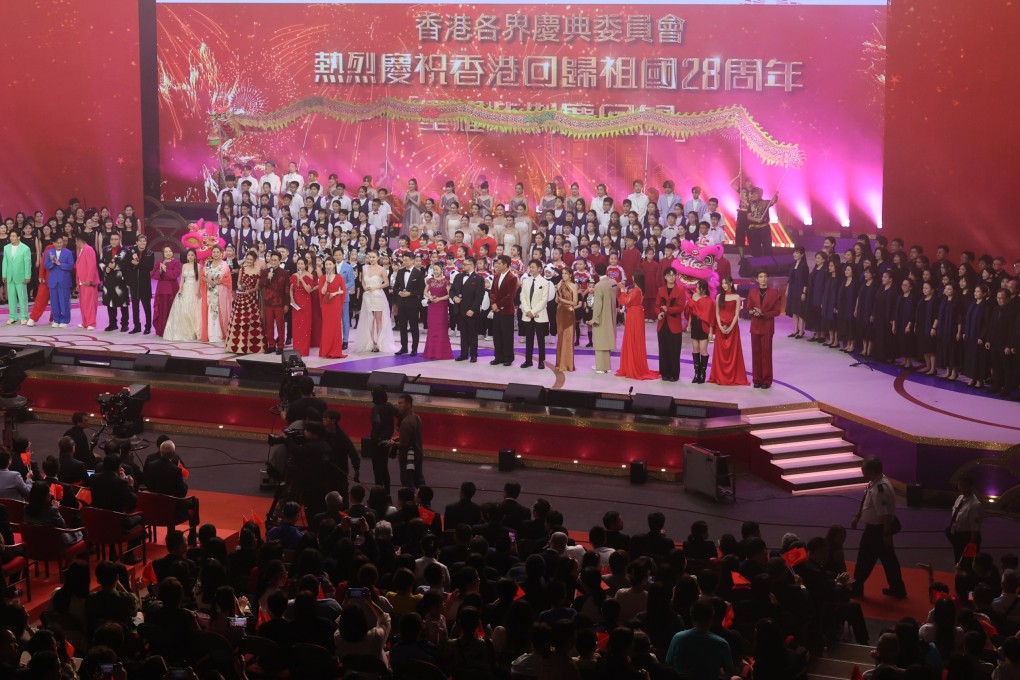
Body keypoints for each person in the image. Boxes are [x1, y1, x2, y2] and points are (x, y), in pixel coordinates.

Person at [850, 456, 906, 599]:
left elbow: (886, 515)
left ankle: (856, 588)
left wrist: (886, 535)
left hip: (877, 530)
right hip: (879, 529)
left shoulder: (881, 489)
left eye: (864, 468)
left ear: (872, 471)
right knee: (889, 560)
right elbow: (867, 502)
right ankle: (897, 588)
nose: (861, 470)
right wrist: (858, 516)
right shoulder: (874, 483)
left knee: (864, 559)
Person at [143, 440, 201, 546]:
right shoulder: (175, 470)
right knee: (194, 501)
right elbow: (182, 492)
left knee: (167, 498)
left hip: (153, 506)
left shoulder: (150, 465)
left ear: (160, 452)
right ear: (173, 454)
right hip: (171, 508)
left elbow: (146, 482)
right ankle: (192, 537)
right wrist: (184, 483)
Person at [665, 599, 734, 680]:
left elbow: (668, 663)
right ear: (712, 617)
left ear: (692, 616)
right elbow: (729, 671)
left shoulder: (678, 637)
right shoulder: (722, 643)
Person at [615, 270, 659, 380]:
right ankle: (634, 364)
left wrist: (621, 290)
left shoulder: (636, 290)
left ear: (635, 278)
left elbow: (625, 302)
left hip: (634, 314)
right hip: (635, 313)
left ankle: (633, 366)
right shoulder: (639, 290)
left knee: (633, 338)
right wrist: (623, 291)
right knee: (634, 338)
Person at [710, 276, 750, 386]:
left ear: (731, 284)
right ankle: (720, 376)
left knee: (733, 352)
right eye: (722, 283)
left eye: (726, 283)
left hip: (733, 327)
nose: (724, 285)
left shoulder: (736, 297)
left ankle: (733, 376)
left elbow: (737, 314)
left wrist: (731, 327)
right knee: (721, 353)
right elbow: (717, 313)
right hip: (720, 327)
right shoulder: (719, 296)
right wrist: (720, 326)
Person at [352, 250, 394, 353]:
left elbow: (387, 283)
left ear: (378, 258)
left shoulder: (381, 269)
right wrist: (365, 287)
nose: (371, 259)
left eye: (373, 257)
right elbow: (362, 280)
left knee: (378, 319)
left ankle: (378, 342)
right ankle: (371, 342)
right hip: (367, 296)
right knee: (369, 320)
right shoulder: (365, 268)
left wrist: (376, 287)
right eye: (369, 257)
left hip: (378, 296)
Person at [746, 270, 782, 389]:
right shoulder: (752, 292)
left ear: (768, 278)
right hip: (755, 326)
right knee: (756, 354)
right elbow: (748, 307)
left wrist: (764, 314)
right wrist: (753, 312)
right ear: (757, 279)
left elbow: (777, 311)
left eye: (765, 276)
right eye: (760, 277)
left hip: (767, 326)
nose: (763, 279)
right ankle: (757, 379)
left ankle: (766, 380)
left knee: (766, 354)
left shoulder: (774, 293)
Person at [225, 250, 265, 354]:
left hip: (251, 298)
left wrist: (249, 291)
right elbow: (238, 282)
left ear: (254, 260)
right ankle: (236, 345)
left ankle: (251, 346)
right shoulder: (242, 269)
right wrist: (239, 286)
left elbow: (257, 287)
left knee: (250, 320)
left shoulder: (258, 270)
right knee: (238, 320)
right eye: (247, 259)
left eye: (251, 259)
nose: (249, 261)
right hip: (241, 297)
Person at [653, 267, 686, 382]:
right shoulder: (660, 290)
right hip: (662, 324)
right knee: (663, 349)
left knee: (674, 350)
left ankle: (674, 374)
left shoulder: (680, 291)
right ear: (665, 277)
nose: (671, 277)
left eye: (673, 275)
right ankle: (665, 373)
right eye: (669, 275)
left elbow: (681, 307)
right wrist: (659, 314)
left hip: (674, 325)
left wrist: (668, 309)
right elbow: (657, 305)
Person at [163, 248, 202, 341]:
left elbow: (199, 280)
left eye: (192, 255)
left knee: (193, 310)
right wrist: (180, 289)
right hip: (185, 288)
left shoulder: (198, 266)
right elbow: (182, 280)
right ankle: (184, 331)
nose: (190, 257)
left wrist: (198, 290)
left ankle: (194, 331)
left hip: (194, 288)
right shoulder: (184, 265)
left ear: (195, 256)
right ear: (186, 256)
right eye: (189, 255)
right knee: (184, 310)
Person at [387, 393, 424, 490]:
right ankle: (423, 505)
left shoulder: (406, 422)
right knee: (419, 484)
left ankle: (410, 505)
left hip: (408, 458)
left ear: (408, 404)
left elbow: (403, 444)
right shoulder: (417, 417)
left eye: (401, 403)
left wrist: (393, 443)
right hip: (418, 454)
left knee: (408, 486)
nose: (398, 405)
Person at [518, 260, 550, 369]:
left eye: (533, 267)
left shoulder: (545, 282)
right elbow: (522, 296)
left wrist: (533, 311)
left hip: (539, 315)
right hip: (527, 315)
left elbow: (544, 300)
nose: (531, 269)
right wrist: (527, 310)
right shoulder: (526, 281)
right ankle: (528, 360)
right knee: (529, 339)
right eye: (530, 267)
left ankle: (541, 361)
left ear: (540, 268)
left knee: (541, 340)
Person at [393, 252, 425, 356]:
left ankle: (414, 348)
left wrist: (410, 293)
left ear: (412, 260)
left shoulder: (418, 273)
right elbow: (395, 286)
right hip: (401, 303)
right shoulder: (401, 272)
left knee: (414, 327)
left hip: (413, 304)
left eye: (406, 260)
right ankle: (404, 347)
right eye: (403, 260)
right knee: (402, 327)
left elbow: (421, 290)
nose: (404, 262)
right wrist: (399, 292)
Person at [490, 254, 519, 366]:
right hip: (496, 310)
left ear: (506, 264)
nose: (497, 265)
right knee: (497, 335)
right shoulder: (497, 276)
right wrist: (493, 303)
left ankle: (508, 358)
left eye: (499, 263)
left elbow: (510, 296)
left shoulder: (512, 278)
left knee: (507, 335)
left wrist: (498, 305)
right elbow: (492, 291)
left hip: (507, 311)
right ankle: (498, 357)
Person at [369, 387, 399, 492]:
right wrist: (397, 427)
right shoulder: (389, 406)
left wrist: (376, 438)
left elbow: (376, 423)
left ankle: (378, 492)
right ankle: (387, 492)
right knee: (384, 468)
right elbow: (400, 415)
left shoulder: (376, 409)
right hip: (387, 440)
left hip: (378, 442)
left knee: (377, 469)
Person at [590, 262, 619, 374]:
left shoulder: (598, 285)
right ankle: (607, 366)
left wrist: (595, 318)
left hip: (602, 315)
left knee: (600, 340)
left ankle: (601, 367)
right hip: (611, 314)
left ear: (596, 272)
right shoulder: (613, 282)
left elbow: (598, 305)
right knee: (607, 339)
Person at [200, 245, 233, 344]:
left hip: (220, 291)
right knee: (210, 310)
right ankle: (211, 334)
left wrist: (217, 283)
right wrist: (209, 281)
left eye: (217, 252)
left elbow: (227, 279)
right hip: (209, 291)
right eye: (214, 252)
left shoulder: (224, 265)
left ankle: (219, 334)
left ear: (221, 253)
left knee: (220, 311)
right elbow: (202, 276)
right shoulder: (208, 264)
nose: (215, 254)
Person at [947, 475, 983, 563]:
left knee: (967, 563)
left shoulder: (974, 505)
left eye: (964, 486)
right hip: (958, 535)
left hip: (968, 537)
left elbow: (975, 529)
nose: (961, 488)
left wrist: (971, 546)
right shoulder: (960, 498)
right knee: (958, 561)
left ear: (970, 487)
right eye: (959, 485)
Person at [455, 257, 485, 363]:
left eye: (465, 264)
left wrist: (473, 309)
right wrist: (454, 297)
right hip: (460, 310)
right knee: (463, 334)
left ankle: (473, 355)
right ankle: (463, 354)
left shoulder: (479, 279)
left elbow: (479, 296)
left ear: (472, 265)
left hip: (472, 311)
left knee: (472, 334)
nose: (463, 266)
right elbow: (452, 290)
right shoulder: (458, 277)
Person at [260, 252, 290, 355]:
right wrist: (268, 277)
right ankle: (271, 345)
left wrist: (286, 303)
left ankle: (280, 345)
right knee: (269, 325)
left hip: (280, 303)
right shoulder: (264, 272)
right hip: (268, 302)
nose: (273, 262)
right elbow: (260, 285)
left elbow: (287, 289)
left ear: (279, 261)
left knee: (280, 324)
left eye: (275, 260)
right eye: (271, 260)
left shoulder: (284, 273)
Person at [318, 257, 348, 359]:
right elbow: (322, 292)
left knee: (335, 327)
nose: (328, 266)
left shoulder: (339, 277)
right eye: (326, 264)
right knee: (326, 327)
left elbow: (343, 290)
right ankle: (325, 350)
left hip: (335, 304)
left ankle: (335, 351)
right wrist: (326, 282)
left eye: (330, 264)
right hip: (326, 304)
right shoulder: (322, 278)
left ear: (334, 265)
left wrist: (335, 293)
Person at [100, 232, 131, 332]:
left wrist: (115, 267)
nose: (114, 241)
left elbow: (128, 266)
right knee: (110, 302)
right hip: (108, 280)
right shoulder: (105, 249)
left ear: (120, 240)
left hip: (121, 281)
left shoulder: (125, 250)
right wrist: (105, 268)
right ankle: (112, 324)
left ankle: (124, 324)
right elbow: (100, 262)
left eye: (116, 239)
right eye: (112, 239)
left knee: (123, 303)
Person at [423, 263, 453, 360]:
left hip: (441, 306)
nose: (435, 272)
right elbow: (425, 292)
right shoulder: (430, 280)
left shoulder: (446, 281)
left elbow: (449, 295)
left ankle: (441, 352)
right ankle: (431, 351)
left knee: (441, 328)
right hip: (432, 306)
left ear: (442, 270)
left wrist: (439, 299)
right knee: (432, 328)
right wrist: (430, 297)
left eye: (437, 270)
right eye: (434, 270)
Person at [685, 279, 714, 384]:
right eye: (696, 287)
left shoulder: (709, 301)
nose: (696, 289)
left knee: (703, 350)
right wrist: (689, 324)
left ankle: (702, 373)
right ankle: (696, 374)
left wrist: (711, 332)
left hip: (704, 326)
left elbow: (711, 317)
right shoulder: (694, 297)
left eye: (698, 287)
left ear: (703, 289)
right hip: (695, 326)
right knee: (695, 349)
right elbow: (690, 313)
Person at [43, 235, 74, 327]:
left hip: (64, 281)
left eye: (61, 242)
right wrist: (52, 262)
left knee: (64, 301)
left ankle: (65, 320)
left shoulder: (68, 253)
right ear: (53, 243)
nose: (59, 244)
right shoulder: (49, 252)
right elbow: (46, 266)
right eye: (57, 243)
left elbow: (71, 266)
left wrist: (60, 264)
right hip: (53, 281)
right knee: (54, 302)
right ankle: (56, 319)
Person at [151, 245, 182, 337]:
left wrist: (166, 270)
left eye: (169, 251)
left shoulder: (176, 262)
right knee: (161, 308)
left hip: (172, 288)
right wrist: (160, 271)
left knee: (171, 308)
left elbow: (175, 275)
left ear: (172, 252)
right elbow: (153, 274)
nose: (168, 253)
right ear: (163, 253)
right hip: (161, 289)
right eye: (165, 251)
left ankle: (171, 329)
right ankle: (161, 328)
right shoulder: (159, 262)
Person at [2, 229, 31, 325]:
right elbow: (5, 262)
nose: (12, 238)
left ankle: (24, 316)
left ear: (19, 237)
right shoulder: (6, 248)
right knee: (11, 297)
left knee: (22, 297)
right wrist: (4, 274)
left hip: (21, 276)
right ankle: (13, 316)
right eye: (11, 236)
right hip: (10, 276)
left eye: (14, 236)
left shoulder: (25, 248)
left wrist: (27, 276)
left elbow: (27, 263)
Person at [127, 233, 154, 334]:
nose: (143, 243)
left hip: (145, 283)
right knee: (135, 306)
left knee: (146, 306)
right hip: (134, 283)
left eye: (144, 241)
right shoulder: (132, 252)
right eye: (140, 241)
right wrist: (134, 264)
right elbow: (129, 266)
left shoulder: (150, 253)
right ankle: (136, 326)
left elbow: (149, 267)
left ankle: (148, 326)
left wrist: (138, 263)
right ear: (136, 242)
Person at [554, 267, 580, 372]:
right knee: (560, 337)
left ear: (570, 275)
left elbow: (575, 303)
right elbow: (556, 301)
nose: (564, 275)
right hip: (560, 312)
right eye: (563, 273)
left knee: (568, 338)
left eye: (566, 273)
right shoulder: (560, 284)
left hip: (569, 313)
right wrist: (557, 293)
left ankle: (567, 365)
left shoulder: (574, 286)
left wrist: (563, 300)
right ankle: (560, 363)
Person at [289, 256, 314, 356]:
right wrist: (291, 298)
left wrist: (302, 279)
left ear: (306, 265)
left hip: (306, 301)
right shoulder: (293, 275)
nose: (300, 265)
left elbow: (309, 290)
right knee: (296, 325)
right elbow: (291, 288)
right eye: (298, 263)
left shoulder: (309, 275)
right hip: (296, 302)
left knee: (305, 325)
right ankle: (296, 349)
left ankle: (304, 350)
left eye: (302, 264)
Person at [75, 233, 101, 330]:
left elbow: (92, 265)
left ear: (79, 241)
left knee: (90, 303)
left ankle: (91, 323)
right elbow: (78, 267)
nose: (75, 243)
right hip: (82, 281)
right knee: (83, 303)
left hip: (88, 282)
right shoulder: (81, 250)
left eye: (76, 241)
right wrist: (78, 282)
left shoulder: (89, 249)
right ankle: (85, 322)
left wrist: (89, 279)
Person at [338, 252, 356, 350]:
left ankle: (345, 341)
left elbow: (351, 281)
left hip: (343, 296)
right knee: (335, 320)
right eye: (336, 255)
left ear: (343, 255)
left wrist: (342, 288)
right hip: (332, 297)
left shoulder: (348, 267)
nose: (337, 256)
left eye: (339, 255)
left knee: (345, 320)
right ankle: (336, 339)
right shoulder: (329, 264)